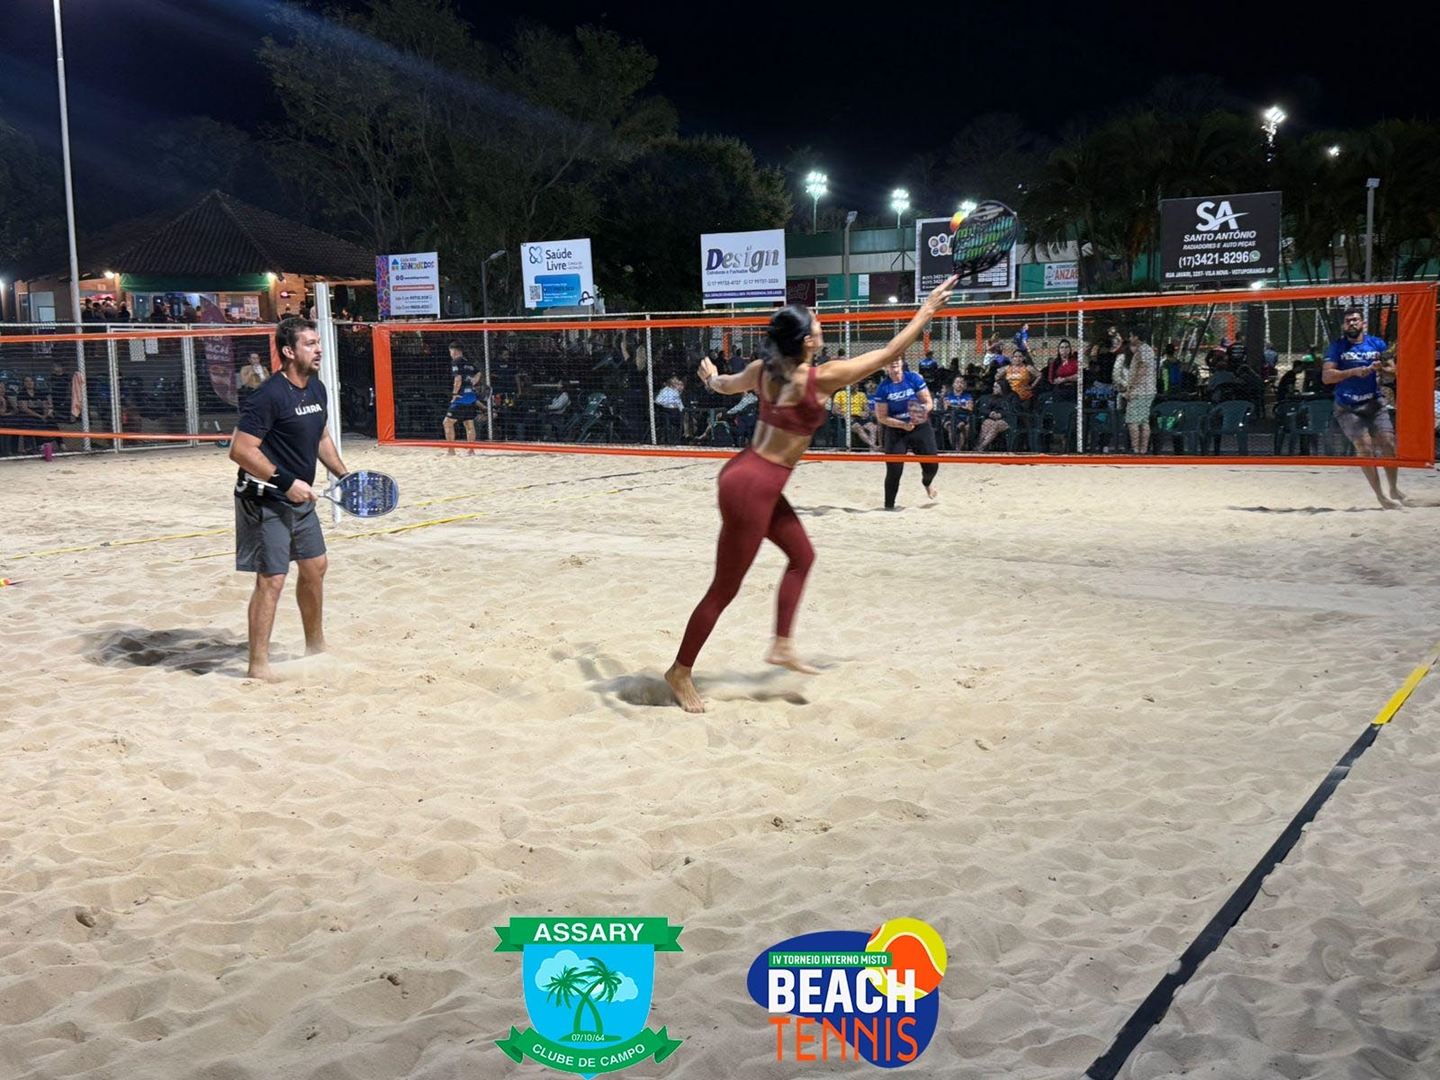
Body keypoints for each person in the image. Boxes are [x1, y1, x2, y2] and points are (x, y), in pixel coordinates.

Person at [665, 275, 959, 713]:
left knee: (802, 556)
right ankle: (680, 671)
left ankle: (782, 643)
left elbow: (725, 386)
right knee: (724, 588)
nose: (822, 325)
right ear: (806, 342)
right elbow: (889, 353)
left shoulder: (763, 370)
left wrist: (710, 378)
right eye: (817, 323)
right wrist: (927, 311)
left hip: (751, 477)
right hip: (752, 488)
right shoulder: (819, 379)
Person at [228, 317, 350, 681]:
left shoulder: (316, 389)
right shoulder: (268, 395)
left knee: (316, 567)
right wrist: (285, 482)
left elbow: (321, 437)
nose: (319, 349)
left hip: (300, 499)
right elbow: (240, 450)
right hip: (264, 499)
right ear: (288, 351)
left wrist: (344, 475)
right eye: (310, 344)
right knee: (272, 580)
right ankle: (258, 667)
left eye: (318, 343)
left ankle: (316, 646)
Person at [1323, 307, 1406, 508]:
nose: (1352, 323)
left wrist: (1380, 369)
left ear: (1363, 324)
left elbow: (1395, 372)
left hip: (1374, 403)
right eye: (1348, 321)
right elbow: (1327, 377)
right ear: (1344, 326)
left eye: (1355, 320)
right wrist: (1353, 371)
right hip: (1347, 406)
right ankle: (1380, 496)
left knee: (1388, 444)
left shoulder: (1377, 344)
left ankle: (1393, 488)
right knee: (1364, 447)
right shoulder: (1337, 347)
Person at [875, 357, 939, 508]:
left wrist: (918, 414)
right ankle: (889, 506)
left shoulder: (913, 379)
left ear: (902, 362)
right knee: (894, 470)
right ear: (885, 366)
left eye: (897, 359)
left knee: (932, 465)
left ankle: (926, 483)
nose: (894, 362)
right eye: (891, 360)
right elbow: (882, 417)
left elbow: (928, 402)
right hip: (896, 430)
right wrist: (902, 425)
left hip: (920, 426)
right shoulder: (883, 388)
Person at [442, 340, 480, 456]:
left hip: (461, 397)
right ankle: (471, 450)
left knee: (447, 422)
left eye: (450, 351)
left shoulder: (456, 362)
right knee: (469, 424)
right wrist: (473, 382)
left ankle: (451, 450)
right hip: (471, 397)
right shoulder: (468, 362)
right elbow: (478, 373)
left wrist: (454, 394)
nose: (450, 354)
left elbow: (457, 379)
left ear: (454, 351)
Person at [1123, 327, 1157, 454]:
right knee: (1143, 421)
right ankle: (1143, 450)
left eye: (1131, 336)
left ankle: (1136, 449)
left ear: (1136, 337)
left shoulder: (1143, 350)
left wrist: (1131, 388)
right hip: (1147, 390)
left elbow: (1141, 371)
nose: (1130, 338)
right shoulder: (1147, 350)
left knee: (1132, 421)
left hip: (1140, 391)